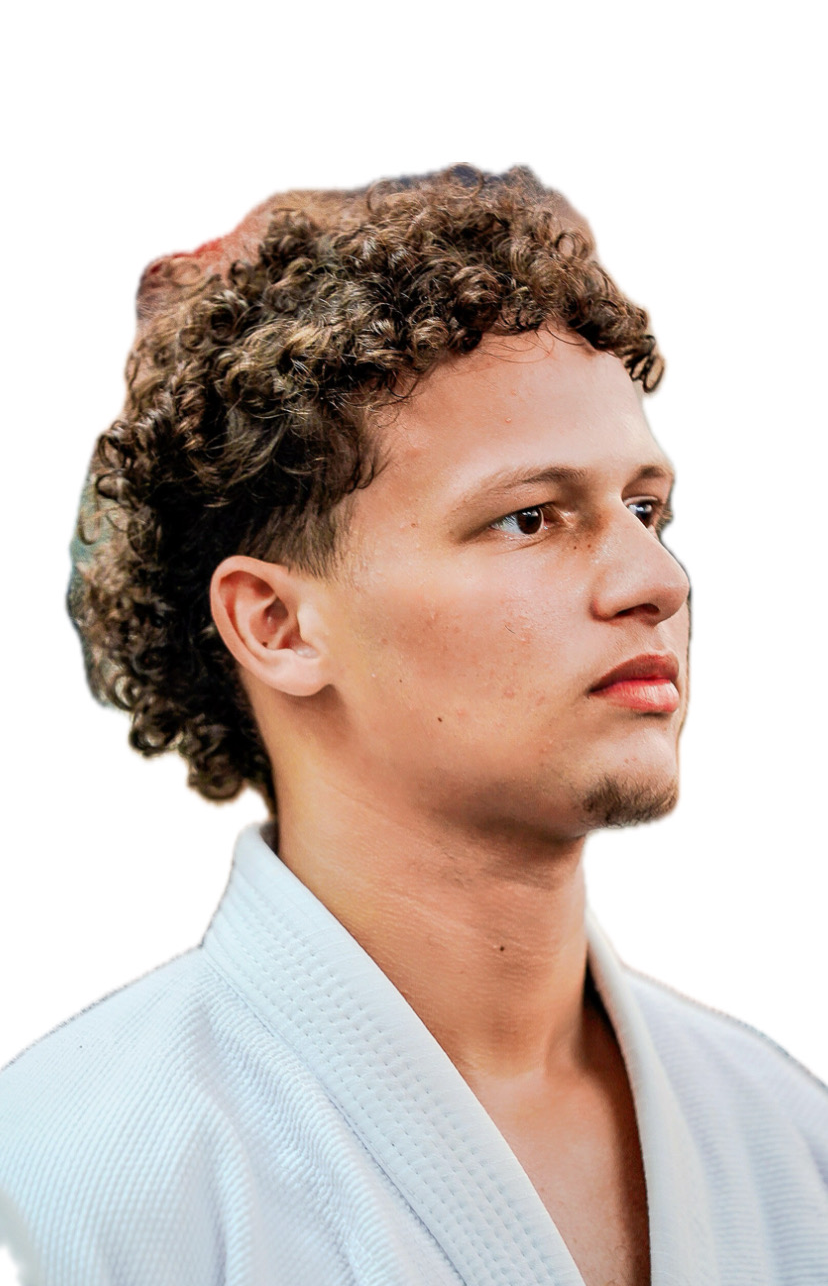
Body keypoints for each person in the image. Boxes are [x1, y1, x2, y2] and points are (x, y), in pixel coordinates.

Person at [0, 165, 825, 1286]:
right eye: (529, 518)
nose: (658, 579)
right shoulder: (70, 1184)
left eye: (646, 507)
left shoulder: (788, 1144)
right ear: (278, 624)